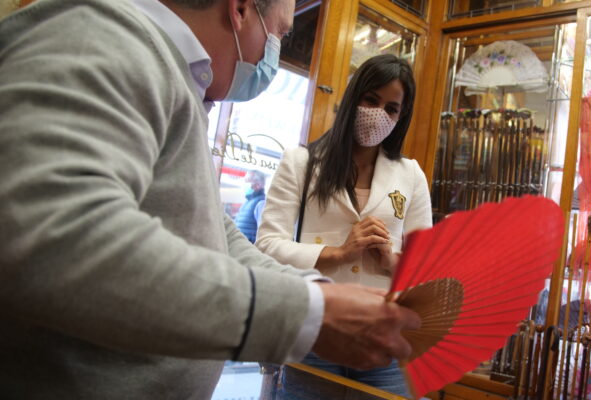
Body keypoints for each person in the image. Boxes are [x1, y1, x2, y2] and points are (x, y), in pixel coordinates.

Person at [0, 1, 420, 398]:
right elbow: (50, 236)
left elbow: (219, 235)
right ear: (240, 9)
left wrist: (317, 294)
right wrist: (306, 314)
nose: (273, 52)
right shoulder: (104, 38)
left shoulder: (172, 79)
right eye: (279, 33)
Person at [255, 54, 433, 397]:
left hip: (385, 336)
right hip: (316, 329)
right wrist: (338, 253)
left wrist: (391, 260)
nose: (378, 114)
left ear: (401, 117)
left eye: (391, 108)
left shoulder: (410, 174)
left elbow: (427, 267)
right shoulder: (301, 163)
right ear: (353, 98)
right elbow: (267, 245)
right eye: (371, 100)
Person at [235, 169, 267, 242]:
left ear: (258, 185)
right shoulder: (247, 202)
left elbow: (263, 232)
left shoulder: (261, 203)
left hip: (248, 247)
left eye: (247, 181)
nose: (244, 184)